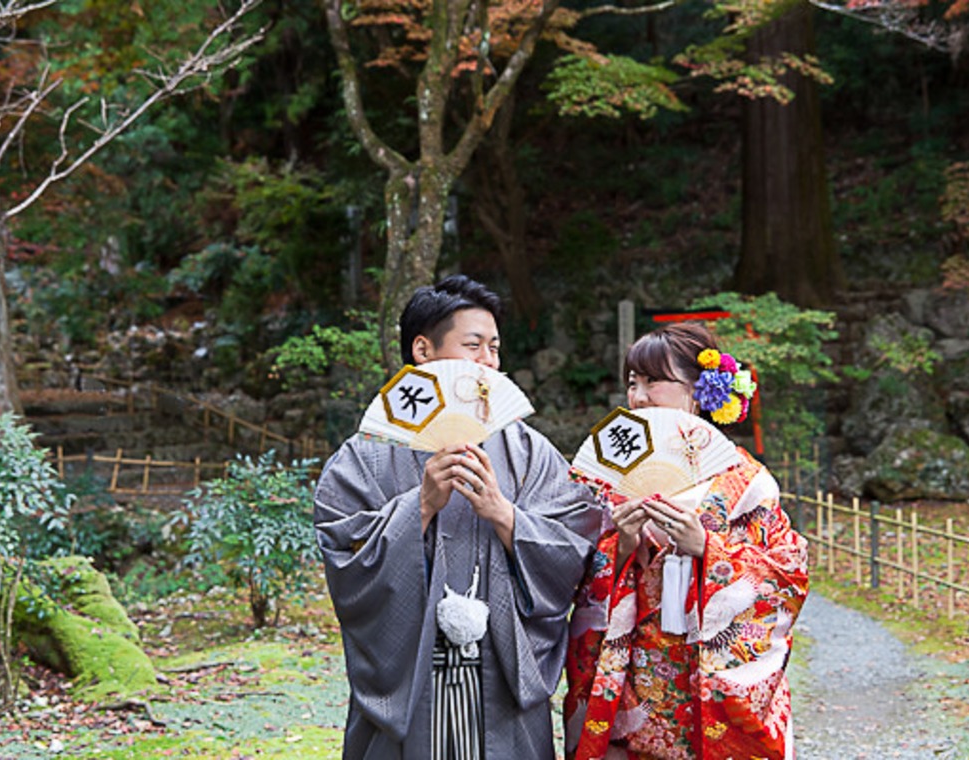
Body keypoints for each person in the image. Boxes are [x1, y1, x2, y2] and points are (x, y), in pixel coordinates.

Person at [315, 274, 603, 760]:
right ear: (423, 350)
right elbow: (345, 549)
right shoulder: (366, 455)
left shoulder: (528, 451)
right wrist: (419, 507)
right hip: (412, 675)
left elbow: (574, 542)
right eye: (473, 345)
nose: (488, 360)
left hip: (501, 673)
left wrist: (504, 515)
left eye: (495, 347)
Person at [563, 322, 809, 760]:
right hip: (631, 673)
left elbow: (786, 574)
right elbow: (566, 567)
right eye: (632, 383)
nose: (638, 397)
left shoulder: (746, 483)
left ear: (699, 390)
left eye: (653, 381)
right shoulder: (606, 476)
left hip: (705, 676)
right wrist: (621, 547)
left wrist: (709, 550)